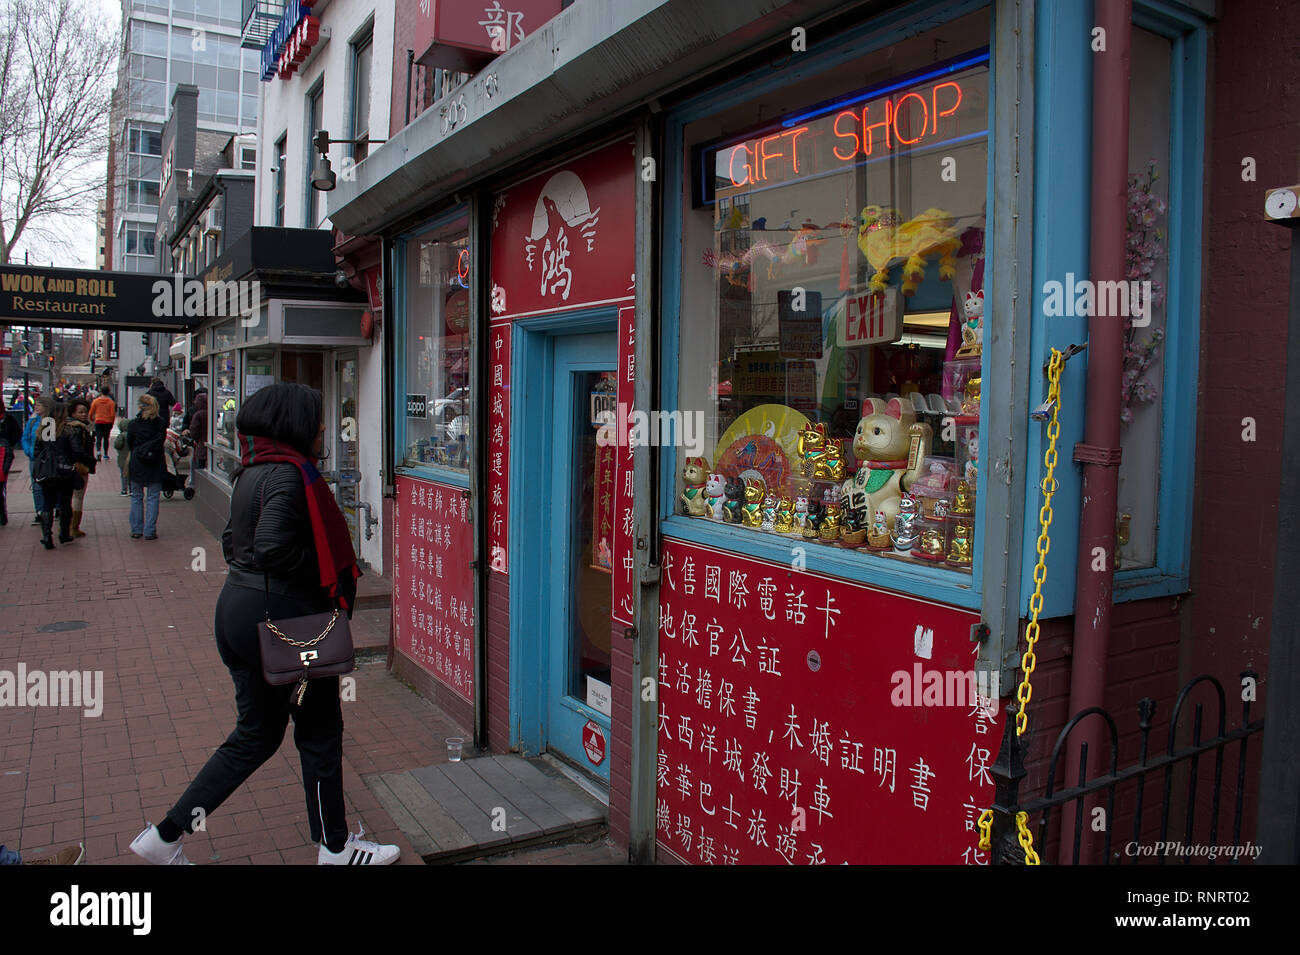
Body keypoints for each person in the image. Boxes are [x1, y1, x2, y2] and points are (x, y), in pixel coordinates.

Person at [129, 383, 395, 866]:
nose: (321, 428)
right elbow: (273, 548)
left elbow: (234, 543)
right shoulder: (293, 476)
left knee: (256, 734)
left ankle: (165, 836)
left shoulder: (252, 470)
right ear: (294, 424)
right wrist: (316, 584)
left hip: (239, 609)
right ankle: (336, 848)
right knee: (318, 733)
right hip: (285, 622)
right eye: (315, 419)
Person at [33, 402, 75, 549]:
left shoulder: (45, 430)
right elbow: (75, 451)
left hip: (48, 471)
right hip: (64, 470)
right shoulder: (68, 430)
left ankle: (47, 536)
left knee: (47, 503)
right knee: (65, 503)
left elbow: (37, 451)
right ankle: (64, 534)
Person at [126, 395, 166, 540]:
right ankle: (150, 531)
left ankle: (136, 529)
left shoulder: (133, 424)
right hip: (155, 462)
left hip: (137, 462)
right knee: (153, 498)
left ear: (140, 406)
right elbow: (161, 441)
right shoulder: (161, 423)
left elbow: (129, 443)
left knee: (136, 497)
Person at [65, 398, 97, 539]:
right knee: (78, 497)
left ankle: (68, 526)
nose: (84, 414)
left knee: (69, 497)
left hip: (66, 465)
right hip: (79, 466)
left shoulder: (65, 426)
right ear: (73, 413)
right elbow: (79, 450)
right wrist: (90, 461)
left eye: (85, 412)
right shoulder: (79, 429)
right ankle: (74, 527)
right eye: (81, 412)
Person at [21, 396, 51, 526]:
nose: (36, 407)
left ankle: (49, 509)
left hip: (46, 459)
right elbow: (25, 437)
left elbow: (48, 442)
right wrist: (29, 451)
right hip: (34, 458)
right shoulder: (32, 421)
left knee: (48, 484)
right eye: (36, 405)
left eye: (39, 405)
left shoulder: (49, 422)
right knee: (36, 485)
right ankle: (39, 511)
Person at [0, 398, 21, 527]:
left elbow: (18, 433)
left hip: (4, 455)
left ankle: (2, 514)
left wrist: (10, 445)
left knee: (1, 484)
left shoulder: (9, 419)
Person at [89, 387, 116, 461]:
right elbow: (112, 414)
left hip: (98, 421)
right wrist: (112, 422)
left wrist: (91, 419)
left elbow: (91, 412)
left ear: (101, 392)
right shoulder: (111, 403)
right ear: (108, 392)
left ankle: (98, 452)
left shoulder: (96, 401)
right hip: (107, 422)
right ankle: (105, 454)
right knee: (106, 438)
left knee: (98, 438)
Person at [185, 390, 208, 473]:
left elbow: (194, 431)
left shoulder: (198, 414)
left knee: (198, 467)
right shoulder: (211, 413)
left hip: (200, 444)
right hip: (211, 445)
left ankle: (194, 482)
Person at [112, 412, 131, 495]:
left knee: (124, 474)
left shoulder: (121, 436)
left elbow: (117, 445)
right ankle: (132, 490)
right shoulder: (132, 435)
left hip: (122, 458)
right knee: (131, 475)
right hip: (132, 458)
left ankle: (124, 490)